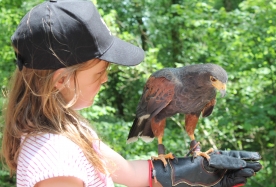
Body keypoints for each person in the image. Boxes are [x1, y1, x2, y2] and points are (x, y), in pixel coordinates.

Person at [1, 0, 262, 187]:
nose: (105, 80)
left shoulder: (70, 128)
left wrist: (194, 172)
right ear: (61, 80)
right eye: (99, 73)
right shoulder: (55, 160)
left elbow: (125, 171)